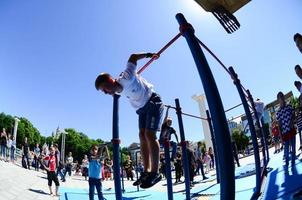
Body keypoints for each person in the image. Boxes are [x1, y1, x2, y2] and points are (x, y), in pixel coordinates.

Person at [95, 52, 164, 189]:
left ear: (110, 81)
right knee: (141, 135)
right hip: (142, 109)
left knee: (150, 135)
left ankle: (155, 173)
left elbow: (132, 57)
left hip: (153, 102)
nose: (105, 93)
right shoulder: (118, 91)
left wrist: (150, 55)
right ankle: (146, 171)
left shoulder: (126, 76)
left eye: (105, 89)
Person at [276, 92, 296, 168]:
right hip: (285, 133)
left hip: (291, 130)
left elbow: (294, 115)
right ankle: (287, 164)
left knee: (293, 149)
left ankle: (293, 164)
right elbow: (279, 126)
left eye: (282, 96)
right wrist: (281, 138)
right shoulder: (278, 112)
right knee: (286, 151)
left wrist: (292, 120)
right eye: (280, 97)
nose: (281, 98)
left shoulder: (289, 106)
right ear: (278, 100)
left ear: (284, 97)